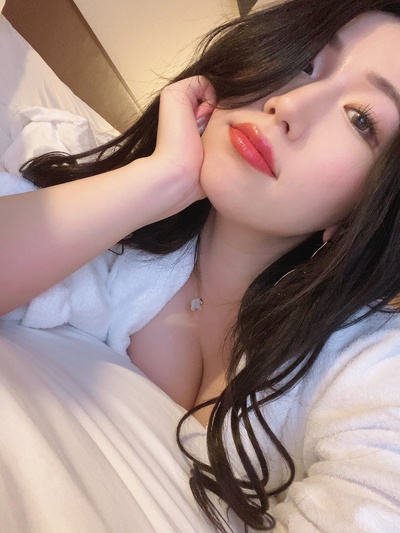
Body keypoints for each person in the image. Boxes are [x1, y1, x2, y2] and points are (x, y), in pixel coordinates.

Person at [1, 0, 400, 530]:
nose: (288, 104)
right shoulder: (112, 222)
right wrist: (160, 179)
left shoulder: (369, 359)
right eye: (305, 61)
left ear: (368, 211)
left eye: (360, 119)